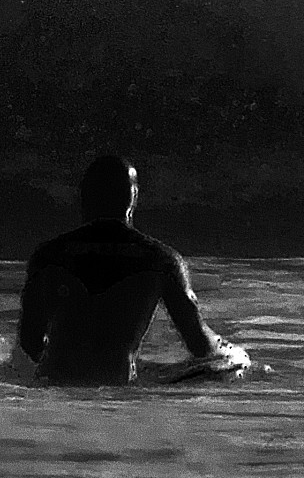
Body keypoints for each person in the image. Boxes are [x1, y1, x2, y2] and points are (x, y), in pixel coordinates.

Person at [17, 154, 230, 385]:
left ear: (84, 197)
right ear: (133, 197)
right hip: (117, 394)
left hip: (54, 388)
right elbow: (199, 344)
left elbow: (30, 342)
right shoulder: (161, 260)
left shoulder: (49, 256)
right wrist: (230, 354)